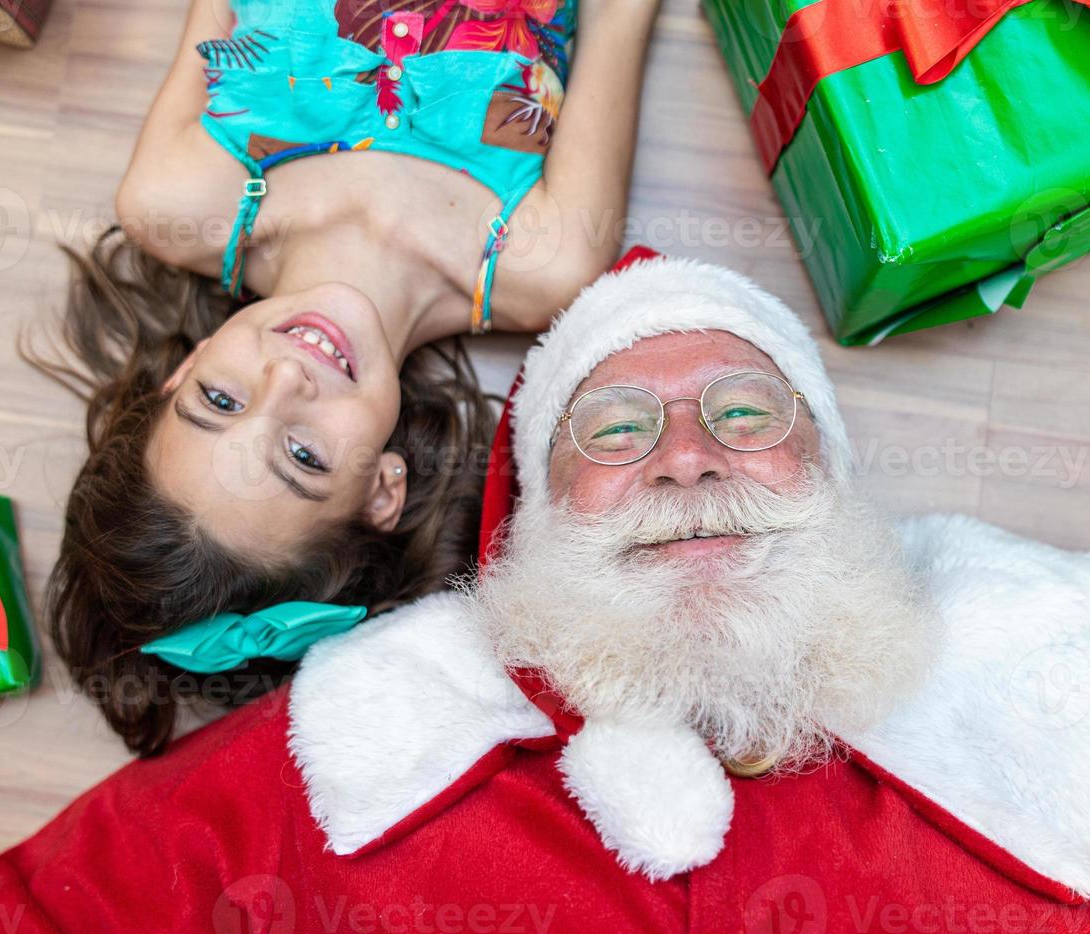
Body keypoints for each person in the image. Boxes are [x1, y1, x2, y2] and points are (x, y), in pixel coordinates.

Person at [0, 253, 1090, 934]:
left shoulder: (1053, 767)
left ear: (829, 475)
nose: (688, 456)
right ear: (541, 524)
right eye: (615, 430)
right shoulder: (359, 756)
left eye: (744, 412)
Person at [34, 0, 662, 754]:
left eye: (222, 399)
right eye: (304, 456)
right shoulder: (543, 261)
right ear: (382, 488)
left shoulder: (175, 202)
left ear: (184, 369)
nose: (287, 382)